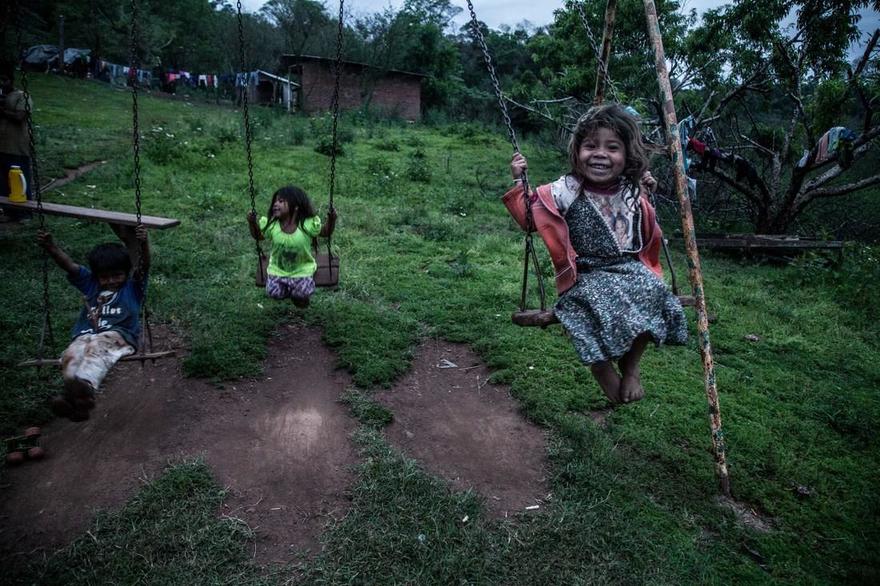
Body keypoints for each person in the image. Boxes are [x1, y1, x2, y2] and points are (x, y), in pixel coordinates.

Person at [504, 104, 687, 405]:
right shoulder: (566, 189)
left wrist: (647, 194)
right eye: (590, 146)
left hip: (627, 267)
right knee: (583, 310)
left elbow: (644, 224)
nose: (600, 153)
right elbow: (529, 220)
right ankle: (604, 372)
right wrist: (518, 182)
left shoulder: (630, 189)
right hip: (585, 274)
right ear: (577, 152)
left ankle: (631, 367)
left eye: (612, 148)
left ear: (627, 155)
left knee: (655, 290)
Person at [37, 224, 150, 421]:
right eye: (105, 277)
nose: (111, 281)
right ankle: (76, 403)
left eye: (117, 275)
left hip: (119, 336)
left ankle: (86, 387)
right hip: (85, 335)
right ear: (96, 276)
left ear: (126, 272)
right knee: (71, 355)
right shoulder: (91, 284)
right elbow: (69, 266)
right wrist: (51, 248)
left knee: (97, 348)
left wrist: (143, 243)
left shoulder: (133, 288)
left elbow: (144, 264)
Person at [246, 185, 337, 308]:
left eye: (281, 201)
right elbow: (259, 236)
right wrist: (252, 223)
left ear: (295, 207)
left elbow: (325, 232)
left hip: (302, 268)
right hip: (278, 269)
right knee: (273, 293)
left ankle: (296, 294)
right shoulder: (273, 225)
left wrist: (332, 220)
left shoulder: (307, 224)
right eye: (275, 201)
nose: (275, 204)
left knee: (302, 293)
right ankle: (290, 290)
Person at [0, 59, 33, 221]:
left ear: (11, 80)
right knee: (3, 181)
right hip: (2, 145)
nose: (2, 84)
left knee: (20, 180)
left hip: (17, 146)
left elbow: (20, 117)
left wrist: (3, 110)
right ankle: (8, 212)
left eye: (4, 80)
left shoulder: (22, 96)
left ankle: (24, 212)